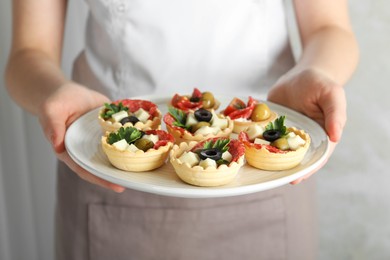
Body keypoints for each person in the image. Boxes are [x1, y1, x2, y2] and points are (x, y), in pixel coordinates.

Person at [5, 0, 358, 259]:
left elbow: (330, 29)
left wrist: (317, 72)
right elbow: (27, 54)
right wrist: (53, 92)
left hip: (264, 178)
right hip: (107, 176)